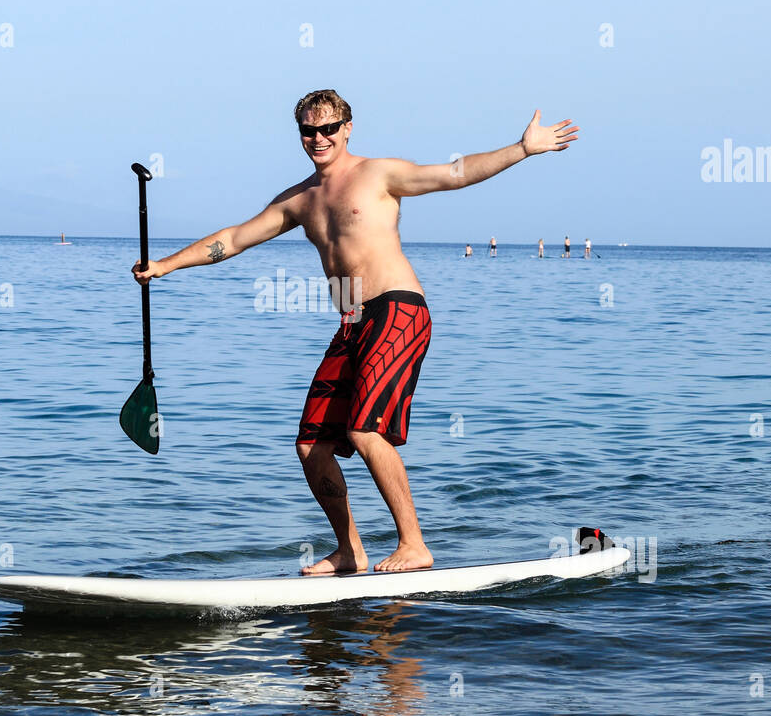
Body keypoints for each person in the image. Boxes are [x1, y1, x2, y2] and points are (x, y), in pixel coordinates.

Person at [131, 89, 578, 573]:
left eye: (327, 128)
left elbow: (454, 174)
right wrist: (165, 266)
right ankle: (350, 551)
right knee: (311, 446)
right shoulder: (300, 199)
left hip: (398, 311)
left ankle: (414, 545)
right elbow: (235, 238)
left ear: (347, 128)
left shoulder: (377, 175)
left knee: (364, 430)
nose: (318, 138)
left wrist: (522, 148)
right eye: (308, 129)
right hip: (350, 324)